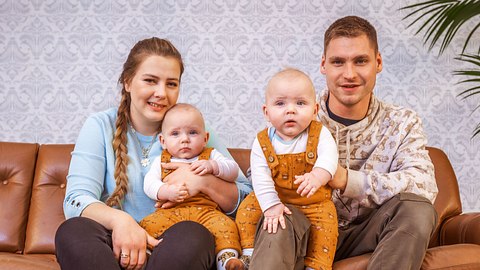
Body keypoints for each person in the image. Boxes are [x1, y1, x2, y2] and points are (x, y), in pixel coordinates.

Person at [245, 16, 439, 270]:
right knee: (278, 218)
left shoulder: (402, 122)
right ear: (324, 65)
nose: (349, 74)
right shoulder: (295, 114)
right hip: (303, 231)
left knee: (417, 209)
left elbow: (424, 186)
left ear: (377, 63)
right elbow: (257, 175)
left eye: (360, 61)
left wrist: (347, 180)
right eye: (338, 62)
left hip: (368, 236)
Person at [54, 37, 252, 270]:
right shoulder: (100, 125)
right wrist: (122, 222)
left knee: (194, 234)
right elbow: (76, 199)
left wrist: (203, 181)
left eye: (171, 84)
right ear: (127, 82)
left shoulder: (193, 132)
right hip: (115, 247)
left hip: (171, 248)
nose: (161, 93)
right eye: (150, 80)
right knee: (72, 231)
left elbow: (245, 199)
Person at [235, 68, 339, 270]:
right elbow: (260, 177)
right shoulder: (262, 141)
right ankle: (248, 253)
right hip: (276, 196)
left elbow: (329, 157)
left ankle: (317, 265)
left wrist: (318, 175)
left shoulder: (320, 134)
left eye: (300, 103)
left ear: (315, 109)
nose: (290, 110)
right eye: (280, 103)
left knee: (327, 228)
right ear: (267, 112)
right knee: (247, 211)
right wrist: (271, 205)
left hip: (313, 202)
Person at [139, 103, 244, 270]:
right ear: (163, 141)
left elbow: (233, 170)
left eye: (193, 132)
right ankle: (147, 254)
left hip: (208, 212)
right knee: (148, 224)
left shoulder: (210, 155)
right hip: (170, 213)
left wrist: (213, 167)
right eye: (175, 133)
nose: (185, 139)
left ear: (205, 138)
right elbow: (149, 184)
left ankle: (227, 260)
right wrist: (166, 191)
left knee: (225, 226)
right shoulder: (162, 161)